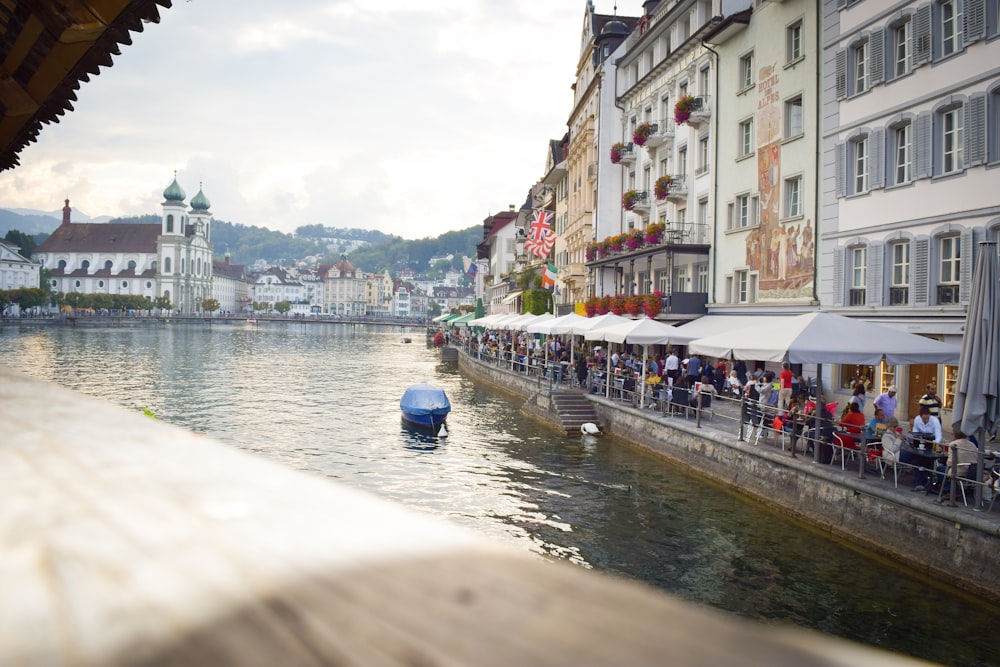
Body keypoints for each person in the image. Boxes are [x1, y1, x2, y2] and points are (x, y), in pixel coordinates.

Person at [935, 430, 982, 497]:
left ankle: (950, 490)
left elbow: (950, 462)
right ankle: (955, 489)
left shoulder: (953, 444)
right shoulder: (972, 444)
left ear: (955, 435)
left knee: (940, 469)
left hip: (960, 470)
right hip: (972, 471)